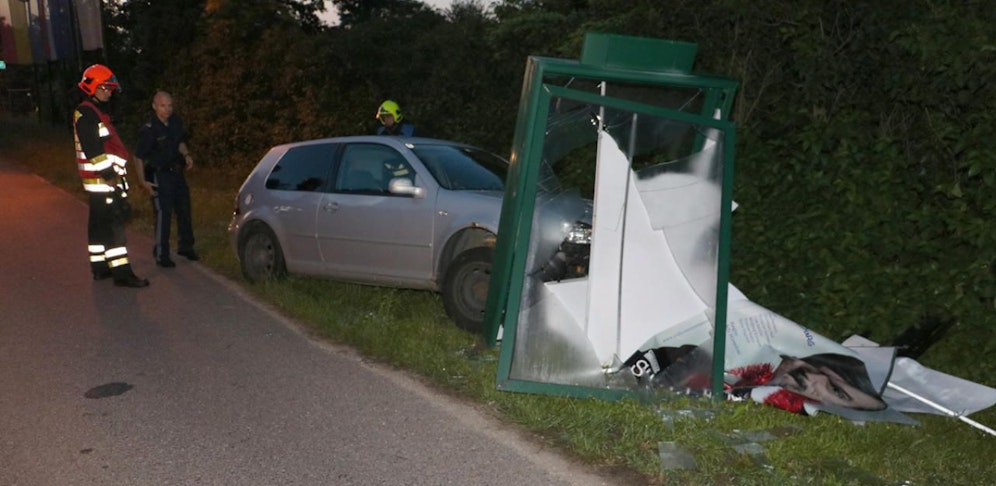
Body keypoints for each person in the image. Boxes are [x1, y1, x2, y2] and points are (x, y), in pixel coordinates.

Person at [73, 64, 149, 288]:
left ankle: (100, 268)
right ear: (92, 87)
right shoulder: (88, 113)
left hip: (98, 180)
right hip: (102, 179)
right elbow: (93, 148)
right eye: (105, 87)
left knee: (98, 224)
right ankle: (122, 273)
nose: (109, 92)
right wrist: (109, 174)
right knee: (114, 225)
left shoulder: (92, 111)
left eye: (110, 88)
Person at [134, 91, 198, 267]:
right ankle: (162, 253)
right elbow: (138, 157)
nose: (167, 109)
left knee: (184, 209)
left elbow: (180, 142)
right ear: (154, 106)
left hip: (177, 172)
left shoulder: (175, 121)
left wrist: (186, 155)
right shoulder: (149, 129)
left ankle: (186, 247)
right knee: (164, 213)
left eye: (170, 105)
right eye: (163, 106)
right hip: (159, 174)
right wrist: (142, 181)